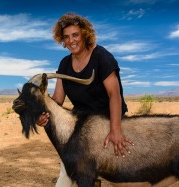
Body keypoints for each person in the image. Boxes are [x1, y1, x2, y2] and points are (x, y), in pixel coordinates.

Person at [36, 12, 134, 187]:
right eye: (66, 37)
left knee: (121, 176)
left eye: (75, 35)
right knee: (66, 179)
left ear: (85, 34)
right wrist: (42, 113)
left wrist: (116, 130)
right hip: (82, 129)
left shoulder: (102, 57)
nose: (71, 41)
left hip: (108, 122)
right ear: (62, 40)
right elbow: (57, 99)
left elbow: (114, 95)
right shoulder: (64, 64)